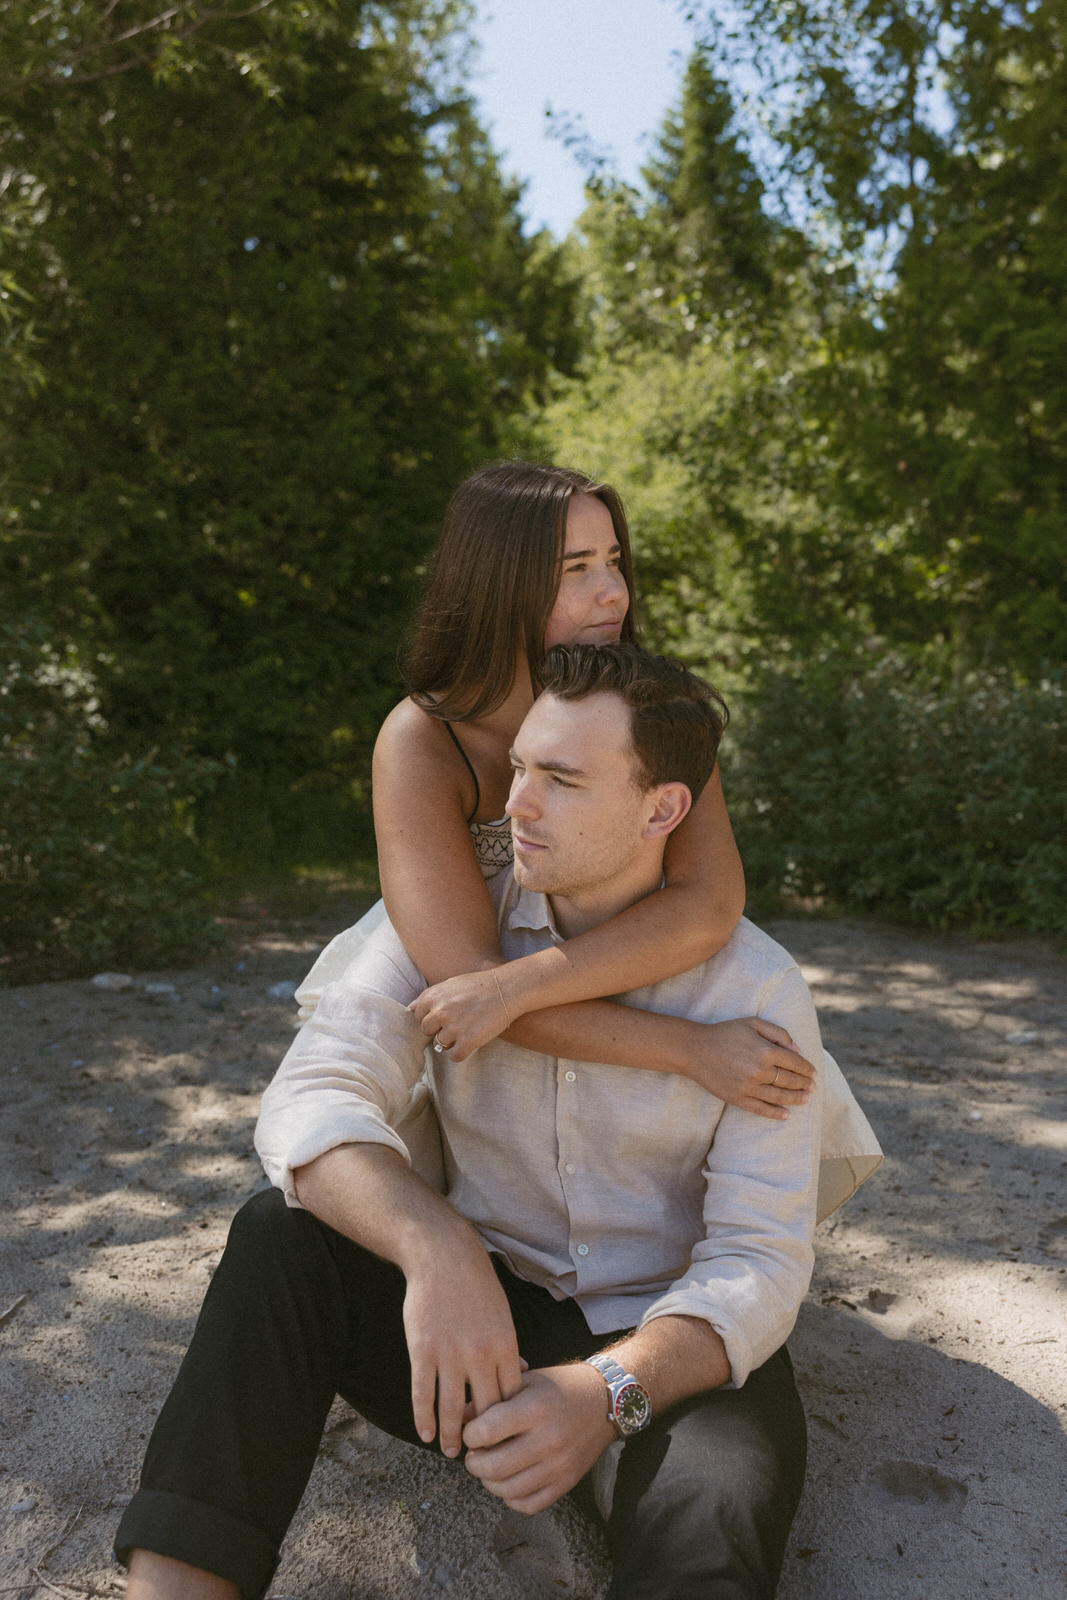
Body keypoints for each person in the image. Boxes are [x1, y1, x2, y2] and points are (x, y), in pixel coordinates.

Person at [115, 643, 880, 1600]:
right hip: (472, 1331)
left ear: (662, 810)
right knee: (278, 1234)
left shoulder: (756, 987)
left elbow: (760, 1261)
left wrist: (608, 1393)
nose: (513, 802)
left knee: (712, 1525)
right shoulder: (446, 925)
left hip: (664, 1337)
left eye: (558, 779)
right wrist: (437, 1247)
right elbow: (309, 1100)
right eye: (519, 765)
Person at [298, 459, 817, 1118]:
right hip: (436, 983)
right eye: (576, 569)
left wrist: (516, 987)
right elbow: (463, 986)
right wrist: (687, 1048)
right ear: (497, 583)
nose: (613, 592)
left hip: (614, 960)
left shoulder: (650, 708)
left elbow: (708, 905)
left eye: (613, 561)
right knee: (326, 1113)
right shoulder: (423, 740)